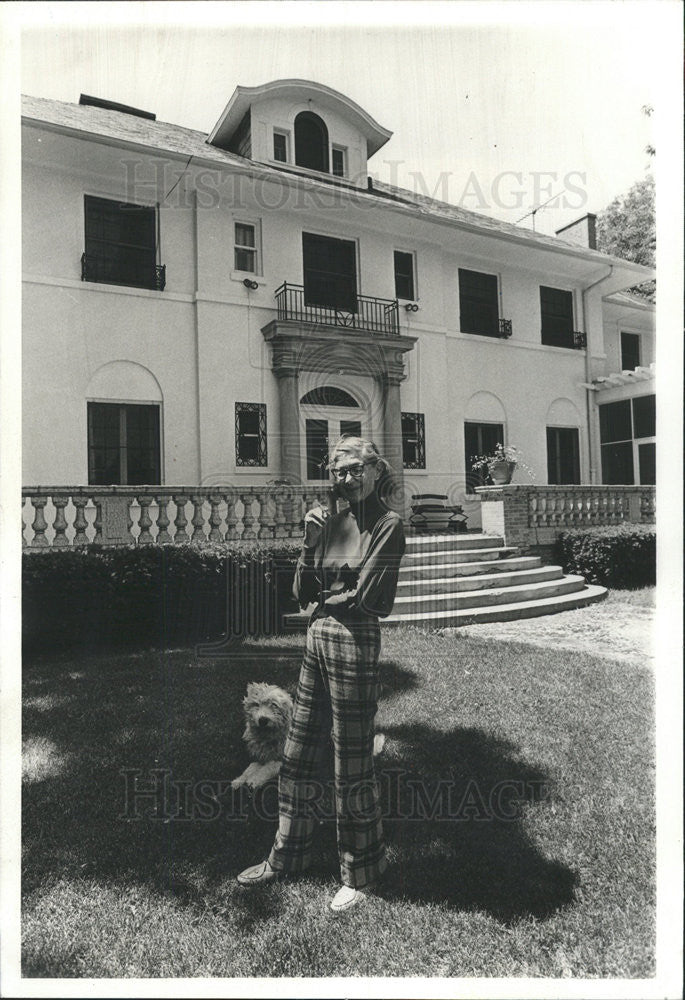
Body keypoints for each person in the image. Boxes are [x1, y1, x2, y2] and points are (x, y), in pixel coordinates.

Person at [236, 436, 406, 912]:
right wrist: (310, 544)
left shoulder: (388, 526)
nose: (345, 479)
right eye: (337, 471)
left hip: (354, 639)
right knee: (298, 750)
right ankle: (286, 857)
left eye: (354, 469)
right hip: (317, 637)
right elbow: (299, 590)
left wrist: (326, 592)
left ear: (375, 471)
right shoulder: (328, 523)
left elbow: (371, 599)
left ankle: (362, 872)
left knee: (351, 760)